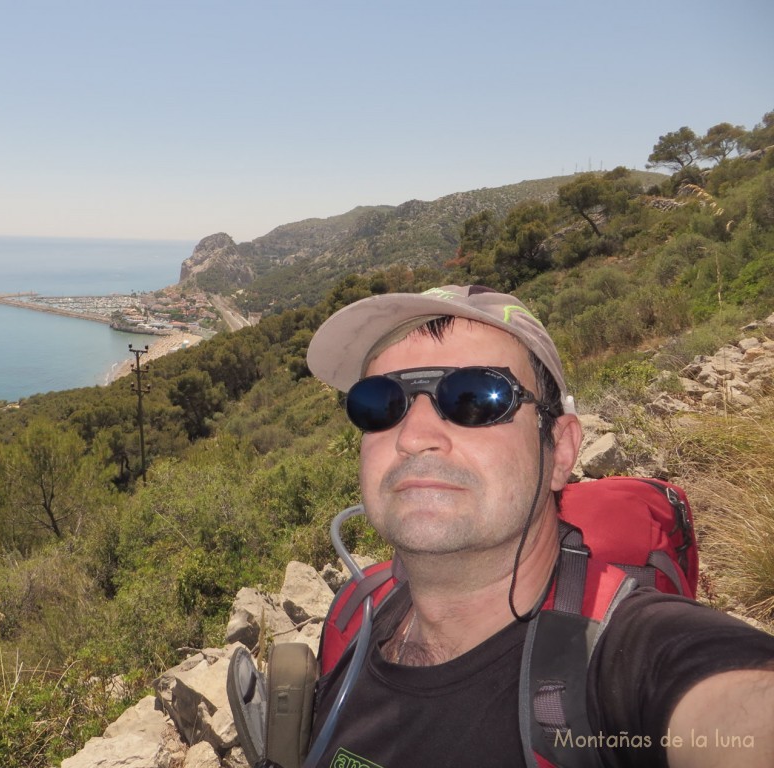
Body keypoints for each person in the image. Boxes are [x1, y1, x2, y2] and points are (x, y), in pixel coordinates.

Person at [303, 284, 774, 768]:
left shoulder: (631, 658)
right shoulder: (352, 618)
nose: (414, 437)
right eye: (380, 402)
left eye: (475, 397)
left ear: (561, 452)